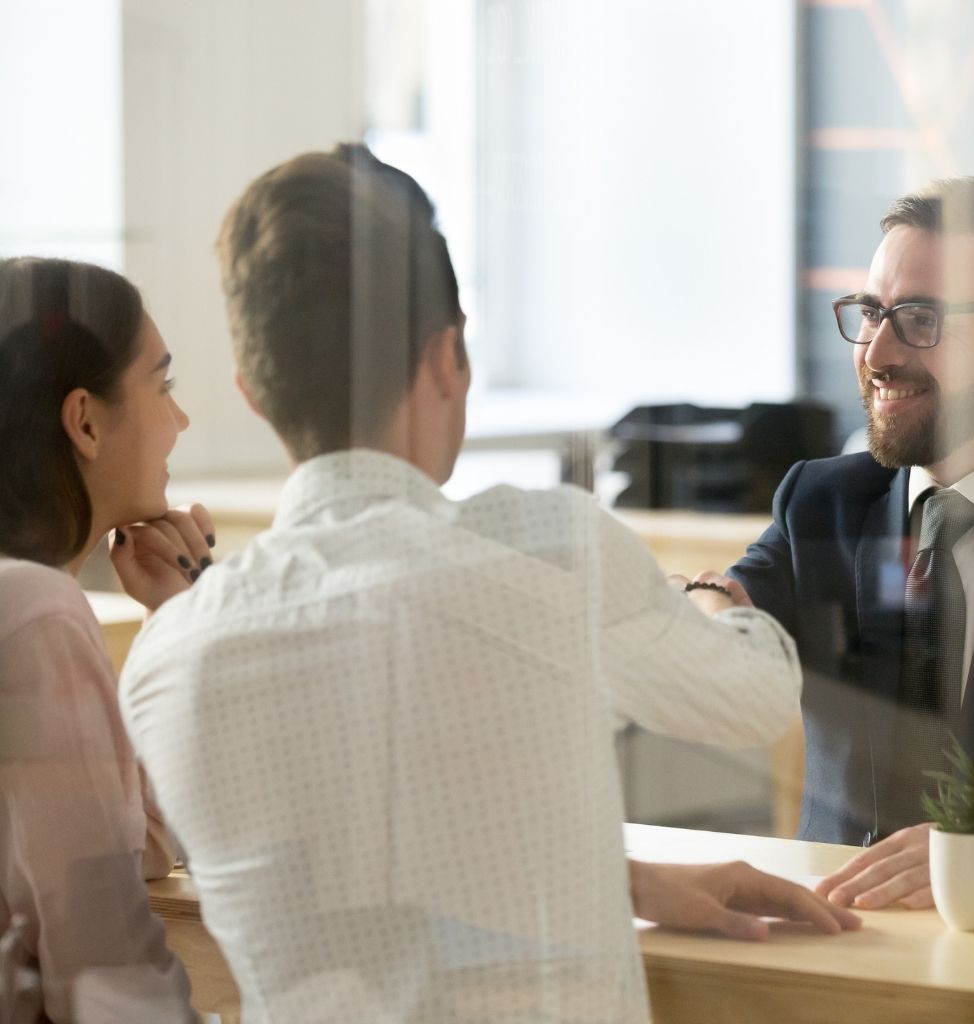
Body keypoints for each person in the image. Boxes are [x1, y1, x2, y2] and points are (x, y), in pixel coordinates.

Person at [119, 144, 858, 1024]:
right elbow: (756, 702)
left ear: (252, 392)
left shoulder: (166, 657)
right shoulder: (547, 548)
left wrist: (621, 877)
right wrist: (711, 600)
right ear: (448, 355)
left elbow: (357, 877)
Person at [728, 176, 974, 911]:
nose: (876, 351)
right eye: (870, 312)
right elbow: (728, 613)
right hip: (840, 968)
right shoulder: (821, 503)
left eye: (921, 317)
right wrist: (704, 603)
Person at [0, 257, 210, 1022]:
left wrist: (170, 620)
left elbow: (136, 845)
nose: (179, 422)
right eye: (164, 384)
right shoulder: (38, 615)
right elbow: (105, 962)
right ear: (85, 421)